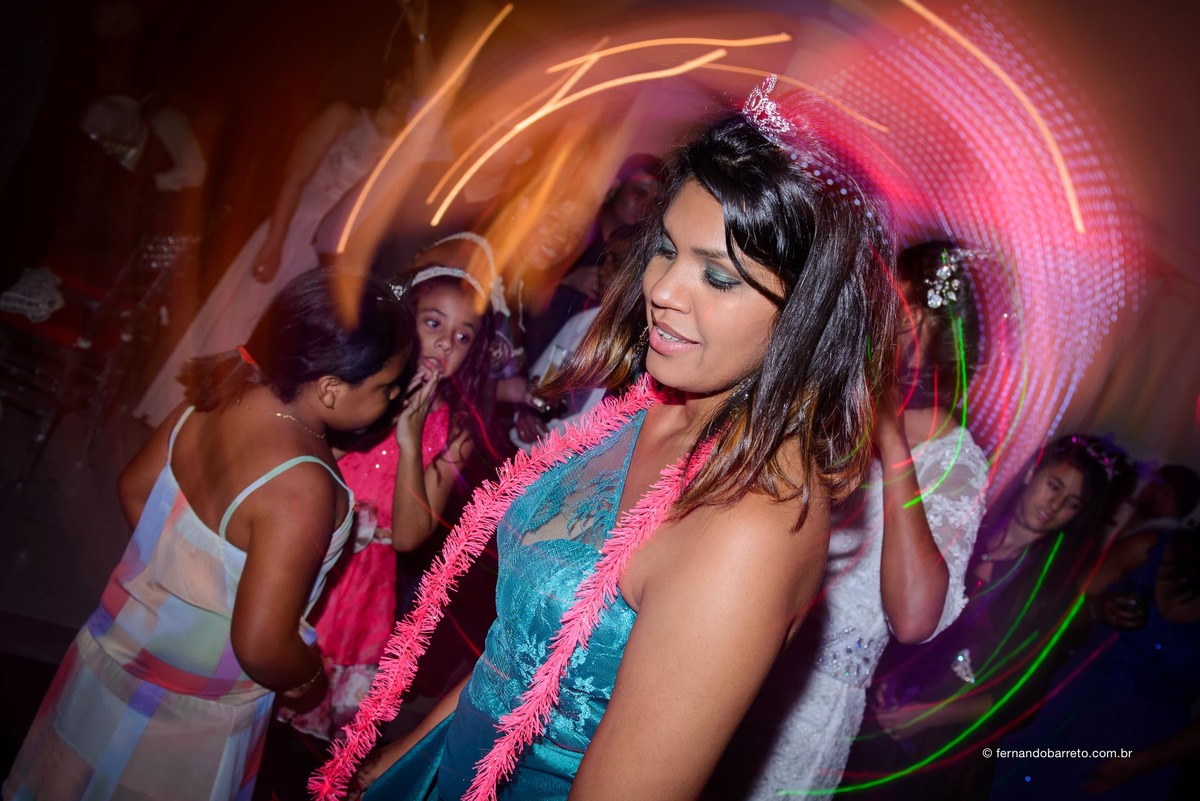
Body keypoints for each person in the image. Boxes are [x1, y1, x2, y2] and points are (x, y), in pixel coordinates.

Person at [308, 75, 898, 801]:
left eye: (716, 275)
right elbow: (526, 645)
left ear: (804, 316)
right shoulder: (655, 400)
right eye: (668, 249)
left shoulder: (749, 527)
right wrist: (420, 742)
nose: (665, 290)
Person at [3, 268, 406, 801]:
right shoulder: (305, 486)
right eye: (386, 387)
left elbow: (134, 489)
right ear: (330, 389)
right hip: (191, 710)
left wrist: (185, 576)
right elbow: (261, 644)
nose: (397, 397)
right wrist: (309, 678)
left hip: (122, 650)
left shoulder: (218, 397)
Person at [720, 242, 990, 798]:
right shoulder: (831, 399)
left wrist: (891, 440)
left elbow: (914, 618)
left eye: (903, 309)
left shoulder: (955, 460)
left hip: (809, 706)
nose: (885, 322)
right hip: (729, 653)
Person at [279, 255, 498, 741]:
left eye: (463, 337)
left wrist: (409, 439)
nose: (446, 342)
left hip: (362, 595)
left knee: (307, 743)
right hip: (305, 556)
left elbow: (408, 537)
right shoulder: (357, 389)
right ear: (405, 321)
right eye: (433, 323)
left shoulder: (455, 432)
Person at [848, 434, 1128, 800]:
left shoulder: (1047, 593)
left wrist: (924, 716)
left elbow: (1020, 700)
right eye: (1054, 485)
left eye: (1071, 503)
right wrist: (887, 677)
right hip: (878, 707)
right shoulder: (964, 528)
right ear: (1032, 474)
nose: (1055, 504)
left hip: (942, 747)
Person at [134, 67, 417, 426]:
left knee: (276, 343)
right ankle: (180, 414)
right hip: (292, 231)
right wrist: (273, 242)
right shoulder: (344, 116)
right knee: (240, 324)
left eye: (415, 88)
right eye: (401, 79)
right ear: (388, 80)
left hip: (328, 257)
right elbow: (295, 176)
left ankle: (225, 426)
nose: (405, 91)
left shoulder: (403, 152)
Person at [989, 504, 1200, 799]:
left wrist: (1140, 764)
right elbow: (1052, 612)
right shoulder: (1149, 549)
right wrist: (1097, 608)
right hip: (1069, 708)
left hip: (1148, 744)